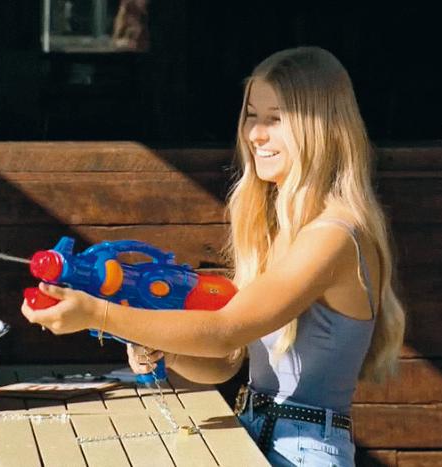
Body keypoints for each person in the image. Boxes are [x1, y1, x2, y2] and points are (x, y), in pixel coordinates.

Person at [21, 46, 406, 466]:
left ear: (322, 127)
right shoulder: (279, 230)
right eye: (252, 115)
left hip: (304, 451)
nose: (255, 134)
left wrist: (99, 315)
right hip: (259, 435)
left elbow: (225, 331)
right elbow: (225, 362)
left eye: (275, 119)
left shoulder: (332, 236)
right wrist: (162, 347)